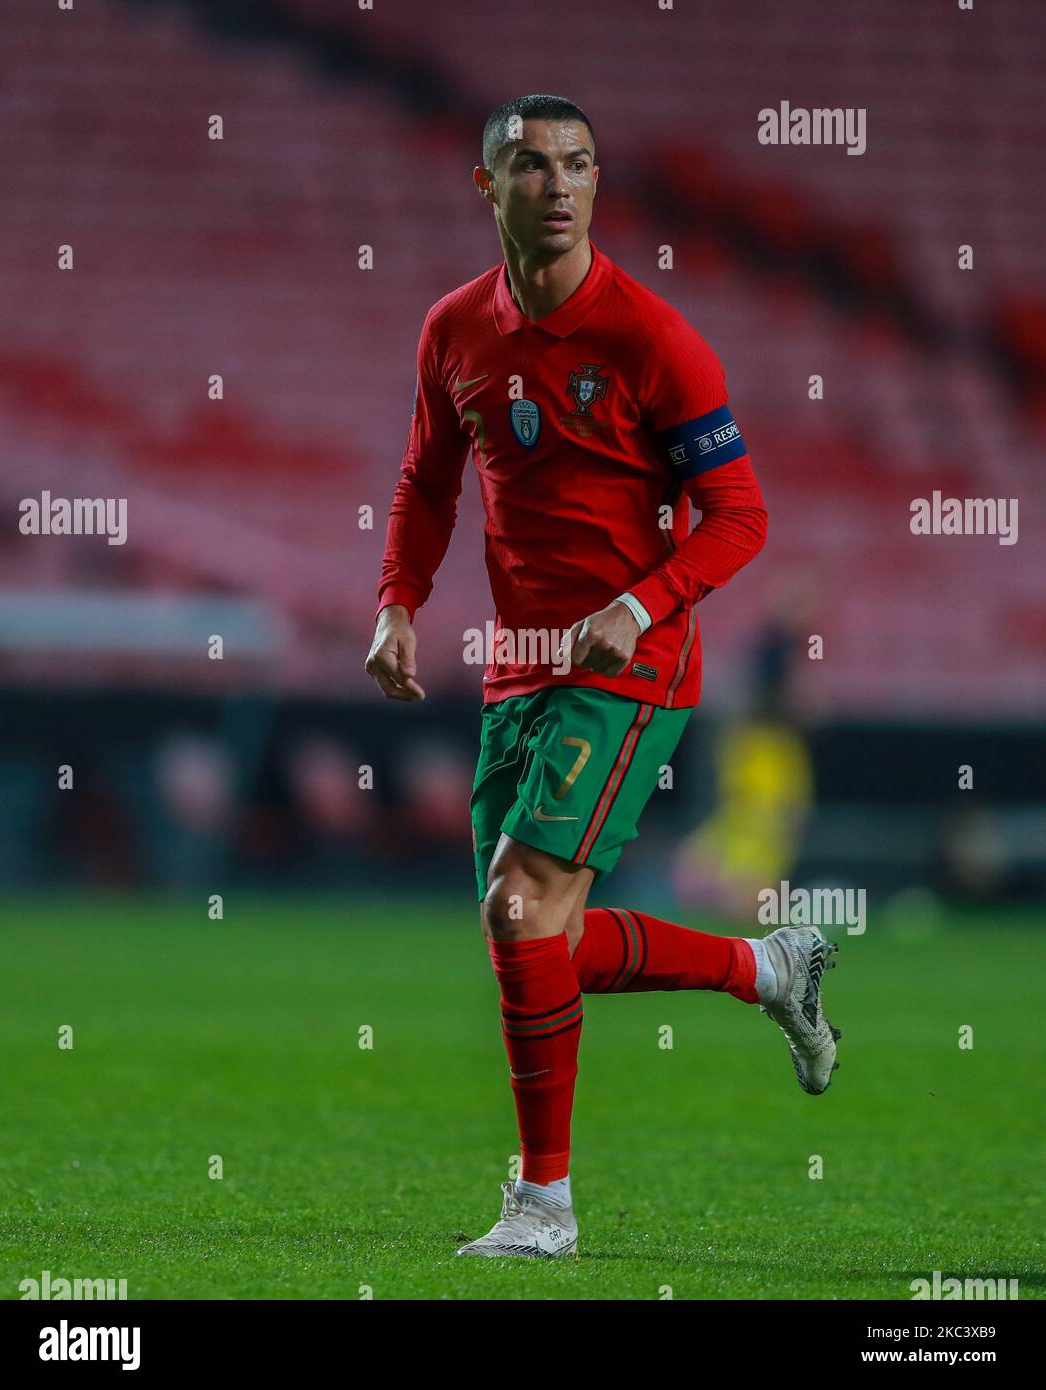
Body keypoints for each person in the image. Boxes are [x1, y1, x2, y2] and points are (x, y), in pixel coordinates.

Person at [366, 94, 840, 1259]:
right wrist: (397, 602)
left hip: (634, 664)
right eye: (532, 166)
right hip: (515, 671)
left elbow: (738, 514)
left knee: (517, 905)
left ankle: (544, 1206)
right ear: (490, 187)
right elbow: (427, 480)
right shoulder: (452, 331)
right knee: (538, 940)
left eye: (578, 163)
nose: (560, 185)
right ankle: (763, 967)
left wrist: (638, 604)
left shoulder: (651, 338)